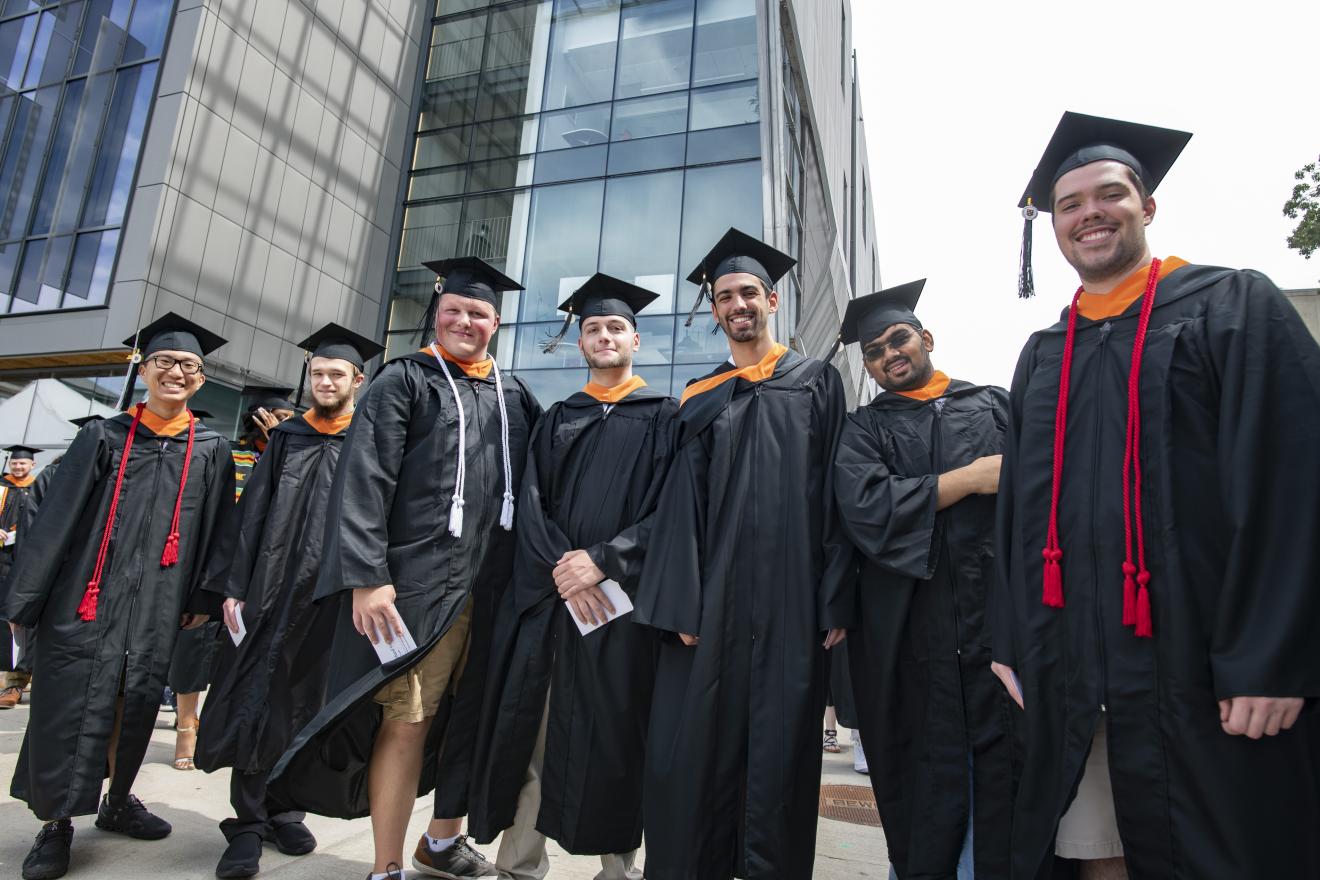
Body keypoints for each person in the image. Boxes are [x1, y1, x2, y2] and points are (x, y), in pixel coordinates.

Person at [992, 111, 1320, 878]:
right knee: (1095, 847)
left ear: (1147, 205)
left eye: (1108, 194)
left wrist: (1273, 659)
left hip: (1208, 668)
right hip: (1075, 666)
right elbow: (1018, 518)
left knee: (1226, 848)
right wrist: (1013, 640)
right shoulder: (1044, 355)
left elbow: (1293, 487)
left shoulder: (1233, 308)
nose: (1088, 215)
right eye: (1068, 204)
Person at [269, 257, 541, 880]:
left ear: (495, 321)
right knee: (408, 719)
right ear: (437, 314)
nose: (465, 322)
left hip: (493, 588)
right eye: (454, 311)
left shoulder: (514, 394)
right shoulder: (405, 381)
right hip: (415, 586)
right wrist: (366, 576)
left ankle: (440, 844)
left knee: (470, 716)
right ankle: (386, 866)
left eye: (478, 313)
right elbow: (364, 482)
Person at [633, 228, 853, 879]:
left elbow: (837, 492)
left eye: (749, 293)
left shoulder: (816, 382)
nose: (738, 304)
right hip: (716, 602)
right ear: (715, 309)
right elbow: (680, 507)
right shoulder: (701, 396)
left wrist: (834, 594)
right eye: (725, 295)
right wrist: (680, 599)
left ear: (773, 300)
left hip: (793, 601)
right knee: (698, 752)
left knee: (782, 753)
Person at [4, 313, 234, 880]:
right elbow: (55, 520)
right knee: (71, 707)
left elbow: (218, 530)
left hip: (160, 601)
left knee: (134, 703)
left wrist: (202, 597)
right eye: (165, 363)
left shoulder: (211, 449)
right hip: (87, 598)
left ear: (201, 380)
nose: (176, 373)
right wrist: (25, 604)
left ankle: (118, 800)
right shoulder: (101, 437)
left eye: (188, 366)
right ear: (145, 369)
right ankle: (56, 823)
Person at [465, 274, 677, 880]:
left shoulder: (665, 417)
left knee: (618, 734)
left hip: (622, 607)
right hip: (559, 603)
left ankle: (619, 867)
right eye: (592, 328)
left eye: (615, 327)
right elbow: (530, 503)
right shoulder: (559, 416)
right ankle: (520, 864)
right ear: (580, 341)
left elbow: (675, 511)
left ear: (636, 338)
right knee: (534, 735)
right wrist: (569, 571)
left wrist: (606, 561)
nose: (604, 336)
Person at [833, 280, 1016, 879]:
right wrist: (965, 481)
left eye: (898, 339)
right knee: (922, 775)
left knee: (1009, 776)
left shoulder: (993, 403)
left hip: (999, 623)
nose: (890, 354)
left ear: (926, 337)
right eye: (875, 351)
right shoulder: (863, 430)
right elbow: (865, 510)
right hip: (911, 632)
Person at [194, 323, 383, 878]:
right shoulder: (286, 438)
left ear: (358, 379)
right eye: (318, 373)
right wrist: (233, 586)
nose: (325, 381)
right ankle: (248, 824)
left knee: (307, 705)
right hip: (271, 592)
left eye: (336, 373)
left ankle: (286, 809)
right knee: (258, 698)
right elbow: (248, 515)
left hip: (331, 597)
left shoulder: (369, 439)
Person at [0, 445, 40, 709]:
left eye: (22, 464)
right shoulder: (2, 486)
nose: (18, 468)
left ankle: (15, 681)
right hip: (2, 558)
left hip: (26, 558)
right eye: (14, 464)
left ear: (32, 465)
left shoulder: (40, 486)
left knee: (18, 615)